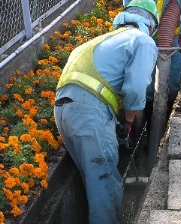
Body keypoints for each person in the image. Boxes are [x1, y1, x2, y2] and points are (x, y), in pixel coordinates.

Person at [53, 0, 159, 223]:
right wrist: (129, 119)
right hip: (89, 113)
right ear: (151, 24)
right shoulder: (143, 41)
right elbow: (137, 86)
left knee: (93, 180)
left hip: (63, 111)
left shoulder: (99, 41)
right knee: (104, 184)